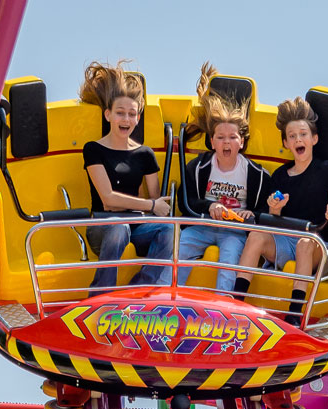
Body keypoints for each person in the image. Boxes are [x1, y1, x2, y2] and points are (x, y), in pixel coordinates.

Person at [232, 97, 328, 325]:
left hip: (316, 244)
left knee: (305, 242)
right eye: (292, 136)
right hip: (286, 240)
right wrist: (275, 210)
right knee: (256, 236)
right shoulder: (280, 176)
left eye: (303, 134)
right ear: (286, 143)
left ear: (314, 139)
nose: (298, 139)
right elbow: (272, 221)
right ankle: (236, 302)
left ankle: (294, 314)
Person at [79, 60, 173, 290]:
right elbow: (108, 200)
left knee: (169, 230)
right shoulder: (93, 149)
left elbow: (157, 204)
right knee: (118, 227)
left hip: (136, 225)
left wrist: (151, 205)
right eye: (120, 113)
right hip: (103, 225)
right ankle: (102, 294)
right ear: (108, 115)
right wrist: (150, 204)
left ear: (138, 119)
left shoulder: (145, 154)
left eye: (132, 114)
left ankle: (139, 290)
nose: (126, 120)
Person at [176, 66, 268, 293]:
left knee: (228, 262)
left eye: (232, 137)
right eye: (221, 138)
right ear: (212, 141)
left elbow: (265, 209)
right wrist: (210, 206)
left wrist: (252, 215)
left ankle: (222, 308)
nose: (227, 143)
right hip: (202, 225)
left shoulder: (257, 174)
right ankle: (162, 299)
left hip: (233, 230)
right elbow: (184, 201)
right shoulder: (198, 167)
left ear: (242, 142)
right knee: (179, 251)